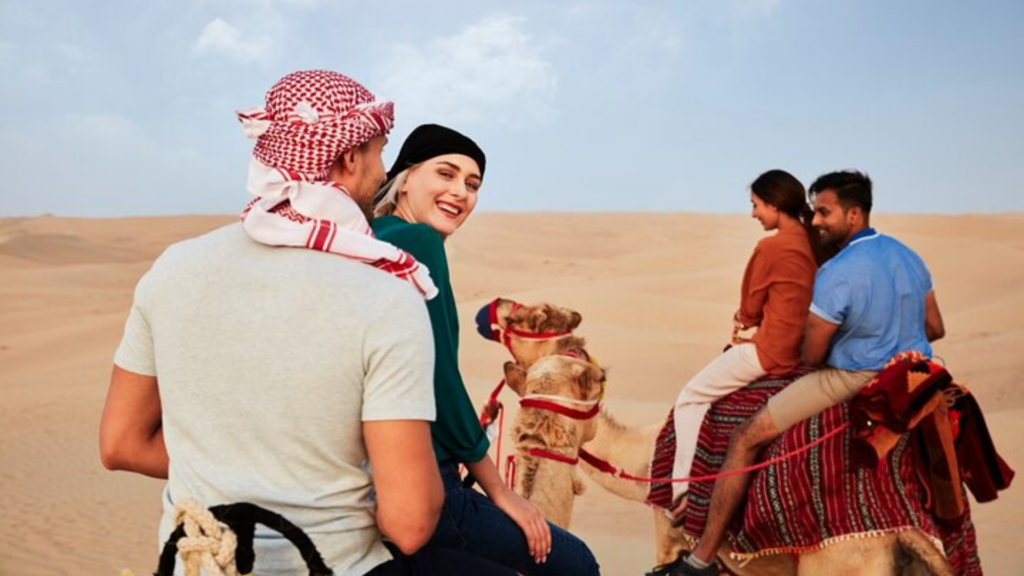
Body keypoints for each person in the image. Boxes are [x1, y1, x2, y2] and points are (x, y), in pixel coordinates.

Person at [100, 70, 515, 576]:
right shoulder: (388, 290)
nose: (382, 169)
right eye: (380, 152)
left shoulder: (173, 267)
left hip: (191, 563)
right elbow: (409, 523)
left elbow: (121, 444)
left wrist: (247, 470)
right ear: (351, 157)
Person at [673, 170, 946, 576]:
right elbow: (935, 328)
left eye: (823, 212)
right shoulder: (909, 257)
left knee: (745, 436)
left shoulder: (839, 270)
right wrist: (890, 334)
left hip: (854, 377)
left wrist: (856, 344)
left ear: (853, 215)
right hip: (913, 375)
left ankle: (702, 558)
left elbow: (814, 354)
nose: (815, 220)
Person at [372, 124, 601, 576]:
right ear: (406, 177)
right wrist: (499, 491)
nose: (461, 192)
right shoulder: (417, 242)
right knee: (575, 564)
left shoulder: (373, 235)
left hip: (376, 478)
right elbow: (437, 377)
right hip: (424, 482)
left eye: (472, 184)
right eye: (446, 173)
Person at [670, 170, 821, 512]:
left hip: (770, 351)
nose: (753, 214)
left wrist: (744, 318)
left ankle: (682, 492)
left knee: (691, 398)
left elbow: (750, 309)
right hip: (802, 350)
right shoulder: (816, 244)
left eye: (756, 205)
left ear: (774, 205)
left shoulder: (770, 247)